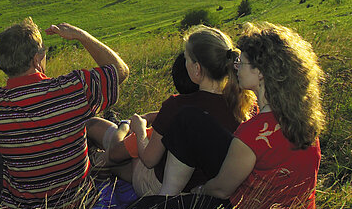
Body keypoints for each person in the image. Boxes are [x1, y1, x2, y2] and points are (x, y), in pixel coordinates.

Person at [131, 22, 325, 209]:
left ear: (260, 73)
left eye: (243, 61)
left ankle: (164, 206)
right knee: (190, 119)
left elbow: (220, 190)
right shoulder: (299, 120)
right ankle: (167, 200)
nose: (237, 65)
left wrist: (199, 191)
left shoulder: (253, 133)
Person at [0, 18, 129, 209]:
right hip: (79, 202)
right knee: (78, 120)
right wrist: (81, 35)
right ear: (36, 60)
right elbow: (120, 70)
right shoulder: (73, 88)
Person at [108, 26, 255, 196]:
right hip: (208, 190)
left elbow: (149, 160)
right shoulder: (243, 105)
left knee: (133, 159)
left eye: (186, 59)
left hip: (167, 191)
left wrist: (140, 129)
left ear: (197, 68)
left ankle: (108, 160)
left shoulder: (177, 106)